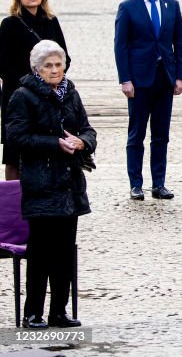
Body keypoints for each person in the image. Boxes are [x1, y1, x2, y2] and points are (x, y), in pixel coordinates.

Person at [6, 39, 95, 329]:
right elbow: (16, 138)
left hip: (69, 184)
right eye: (49, 66)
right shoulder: (23, 96)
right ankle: (33, 313)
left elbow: (88, 128)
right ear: (37, 69)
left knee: (65, 253)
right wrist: (54, 143)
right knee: (41, 253)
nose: (55, 70)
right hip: (41, 184)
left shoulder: (71, 92)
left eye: (59, 64)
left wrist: (83, 142)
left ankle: (59, 310)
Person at [114, 0, 182, 201]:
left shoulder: (171, 5)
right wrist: (125, 79)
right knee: (136, 134)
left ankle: (159, 183)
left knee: (161, 135)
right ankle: (136, 183)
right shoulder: (128, 7)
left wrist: (180, 75)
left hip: (164, 78)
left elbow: (180, 42)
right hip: (139, 80)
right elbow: (120, 46)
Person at [0, 0, 71, 181]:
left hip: (48, 97)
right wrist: (31, 84)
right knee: (14, 156)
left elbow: (65, 57)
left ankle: (44, 202)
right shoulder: (10, 24)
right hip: (18, 97)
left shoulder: (51, 21)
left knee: (48, 149)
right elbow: (3, 65)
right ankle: (13, 207)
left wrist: (53, 77)